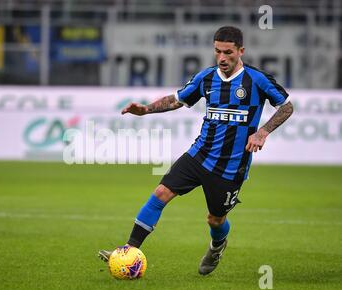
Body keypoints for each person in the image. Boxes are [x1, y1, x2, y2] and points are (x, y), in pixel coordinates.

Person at [98, 26, 294, 275]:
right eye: (217, 51)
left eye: (228, 52)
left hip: (230, 166)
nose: (222, 58)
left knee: (215, 219)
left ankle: (217, 244)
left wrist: (263, 131)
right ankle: (128, 250)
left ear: (241, 51)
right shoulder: (207, 78)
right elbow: (176, 99)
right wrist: (146, 109)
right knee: (160, 193)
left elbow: (287, 107)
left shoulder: (256, 80)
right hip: (199, 154)